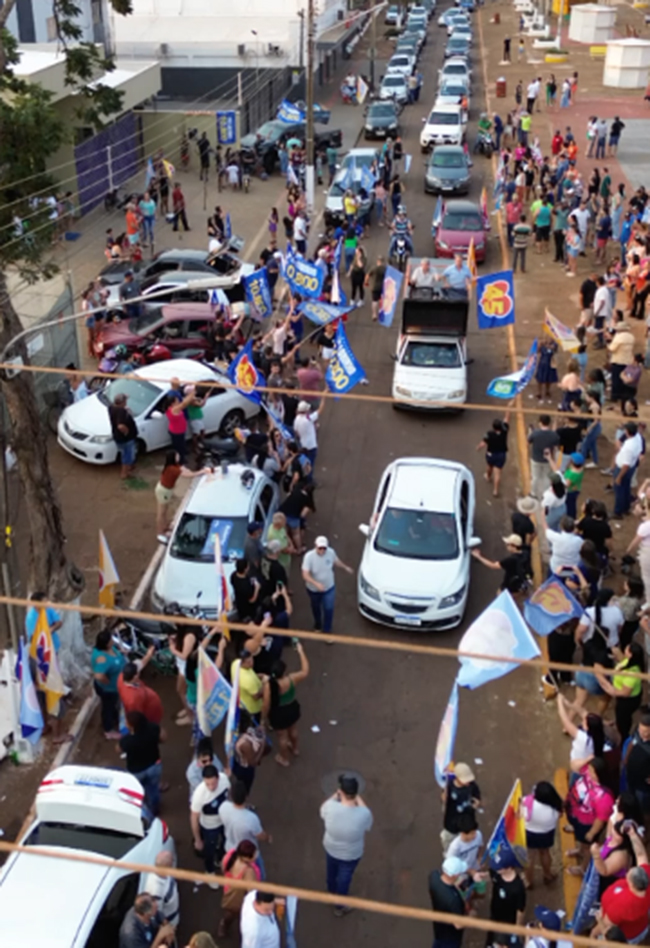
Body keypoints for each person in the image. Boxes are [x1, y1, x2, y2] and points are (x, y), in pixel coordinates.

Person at [320, 774, 373, 914]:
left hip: (331, 849)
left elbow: (322, 812)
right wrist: (358, 798)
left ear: (340, 791)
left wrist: (335, 795)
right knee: (344, 879)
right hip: (351, 854)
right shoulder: (364, 814)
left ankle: (330, 893)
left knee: (331, 873)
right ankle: (340, 906)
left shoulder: (329, 807)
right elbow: (368, 823)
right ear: (356, 793)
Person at [597, 826, 650, 943]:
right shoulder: (646, 876)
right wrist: (632, 834)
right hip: (640, 928)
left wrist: (598, 922)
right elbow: (641, 854)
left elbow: (607, 928)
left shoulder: (623, 905)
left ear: (632, 884)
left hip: (626, 937)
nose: (626, 875)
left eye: (628, 876)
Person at [262, 642, 309, 766]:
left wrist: (263, 719)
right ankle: (295, 748)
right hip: (292, 708)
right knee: (293, 729)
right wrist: (300, 651)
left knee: (282, 737)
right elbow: (305, 671)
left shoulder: (269, 686)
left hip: (278, 713)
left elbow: (266, 704)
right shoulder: (292, 679)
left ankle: (284, 758)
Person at [565, 758, 615, 872]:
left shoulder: (604, 797)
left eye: (592, 771)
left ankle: (583, 867)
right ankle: (580, 850)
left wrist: (592, 833)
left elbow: (601, 818)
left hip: (588, 824)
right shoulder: (587, 775)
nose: (588, 772)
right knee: (582, 842)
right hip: (576, 815)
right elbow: (575, 766)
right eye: (589, 769)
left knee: (588, 846)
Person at [301, 536, 354, 636]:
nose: (322, 550)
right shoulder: (309, 557)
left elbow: (336, 561)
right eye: (320, 548)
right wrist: (316, 584)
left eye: (324, 548)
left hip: (329, 587)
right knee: (316, 607)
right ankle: (318, 624)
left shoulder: (331, 552)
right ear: (315, 546)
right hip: (313, 590)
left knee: (329, 608)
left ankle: (327, 631)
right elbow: (305, 574)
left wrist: (345, 567)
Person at [595, 642, 645, 740]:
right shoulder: (629, 661)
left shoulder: (632, 673)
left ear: (630, 655)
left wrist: (610, 689)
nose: (624, 649)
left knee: (623, 719)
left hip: (627, 701)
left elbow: (625, 693)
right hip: (623, 697)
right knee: (622, 717)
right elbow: (621, 662)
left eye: (627, 649)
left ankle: (624, 737)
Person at [120, 711, 165, 816]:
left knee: (137, 791)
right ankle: (155, 809)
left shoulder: (127, 740)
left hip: (136, 771)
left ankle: (141, 811)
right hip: (154, 765)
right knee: (153, 788)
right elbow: (163, 737)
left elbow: (118, 749)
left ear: (131, 726)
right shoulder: (153, 728)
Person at [190, 763, 231, 876]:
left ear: (218, 778)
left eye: (213, 783)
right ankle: (209, 871)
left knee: (225, 841)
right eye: (207, 784)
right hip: (209, 827)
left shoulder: (224, 780)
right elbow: (194, 817)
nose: (211, 787)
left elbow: (228, 794)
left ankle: (220, 859)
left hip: (224, 821)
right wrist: (198, 839)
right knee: (209, 850)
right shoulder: (199, 794)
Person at [154, 450, 207, 536]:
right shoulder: (173, 469)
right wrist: (202, 472)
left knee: (164, 511)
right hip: (164, 491)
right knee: (162, 512)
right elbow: (187, 475)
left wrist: (195, 471)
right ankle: (160, 531)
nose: (178, 457)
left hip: (165, 490)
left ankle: (164, 527)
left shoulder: (174, 465)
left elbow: (185, 470)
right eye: (177, 456)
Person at [220, 779, 270, 862]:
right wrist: (268, 838)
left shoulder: (223, 807)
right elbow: (260, 835)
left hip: (230, 848)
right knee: (260, 873)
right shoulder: (251, 818)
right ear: (246, 797)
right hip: (248, 852)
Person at [523, 781, 562, 888]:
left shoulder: (527, 801)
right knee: (545, 853)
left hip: (529, 833)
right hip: (546, 833)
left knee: (530, 857)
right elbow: (558, 816)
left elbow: (520, 815)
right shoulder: (554, 807)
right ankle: (547, 874)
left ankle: (528, 880)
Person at [219, 840, 261, 938]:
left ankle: (223, 925)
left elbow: (223, 868)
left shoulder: (230, 855)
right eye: (254, 854)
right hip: (240, 898)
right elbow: (252, 891)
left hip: (229, 888)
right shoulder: (248, 871)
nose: (256, 855)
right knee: (238, 914)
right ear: (247, 858)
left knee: (230, 912)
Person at [90, 628, 125, 740]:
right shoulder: (102, 659)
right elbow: (99, 675)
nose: (113, 641)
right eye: (111, 640)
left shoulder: (109, 649)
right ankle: (108, 730)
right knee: (107, 708)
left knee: (112, 705)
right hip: (108, 689)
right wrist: (108, 682)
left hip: (114, 687)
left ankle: (114, 718)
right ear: (106, 644)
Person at [441, 762, 481, 855]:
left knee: (468, 843)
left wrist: (477, 804)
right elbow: (444, 799)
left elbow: (477, 796)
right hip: (452, 823)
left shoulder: (472, 786)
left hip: (467, 822)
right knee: (449, 841)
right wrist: (444, 795)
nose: (468, 782)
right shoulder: (449, 786)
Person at [486, 855, 526, 945]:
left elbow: (520, 911)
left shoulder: (518, 887)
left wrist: (518, 929)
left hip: (508, 923)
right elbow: (490, 876)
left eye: (499, 867)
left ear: (508, 868)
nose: (496, 868)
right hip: (494, 917)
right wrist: (481, 877)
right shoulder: (496, 872)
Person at [428, 855, 467, 948]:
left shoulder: (434, 877)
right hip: (451, 937)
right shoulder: (453, 900)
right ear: (454, 875)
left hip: (439, 928)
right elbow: (458, 925)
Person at [142, 851, 179, 930]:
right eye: (172, 862)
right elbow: (157, 914)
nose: (173, 864)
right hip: (170, 922)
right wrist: (168, 928)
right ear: (166, 867)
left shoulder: (163, 873)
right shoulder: (156, 891)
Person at [476, 412, 510, 497]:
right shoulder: (504, 431)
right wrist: (508, 409)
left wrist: (478, 448)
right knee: (497, 473)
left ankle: (488, 476)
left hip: (491, 454)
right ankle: (495, 490)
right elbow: (507, 418)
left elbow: (483, 443)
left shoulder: (489, 434)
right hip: (501, 455)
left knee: (489, 466)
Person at [623, 709, 650, 816]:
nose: (642, 734)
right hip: (631, 773)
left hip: (644, 784)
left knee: (642, 803)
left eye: (646, 732)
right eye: (641, 730)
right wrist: (626, 758)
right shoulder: (637, 733)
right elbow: (633, 742)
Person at [528, 415, 559, 499]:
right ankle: (544, 494)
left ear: (540, 422)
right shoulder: (554, 435)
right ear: (549, 423)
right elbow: (556, 446)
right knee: (546, 477)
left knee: (535, 477)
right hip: (547, 460)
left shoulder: (535, 433)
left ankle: (533, 493)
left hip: (536, 459)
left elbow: (529, 440)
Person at [108, 392, 138, 479]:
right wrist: (127, 431)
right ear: (122, 402)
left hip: (118, 437)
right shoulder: (121, 411)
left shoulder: (111, 408)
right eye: (125, 400)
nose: (126, 402)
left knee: (124, 453)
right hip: (126, 439)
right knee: (127, 455)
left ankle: (129, 467)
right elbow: (120, 426)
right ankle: (125, 473)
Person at [186, 736, 225, 800]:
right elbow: (201, 790)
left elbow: (221, 774)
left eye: (210, 759)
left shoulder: (215, 760)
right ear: (198, 759)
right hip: (200, 797)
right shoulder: (192, 772)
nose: (208, 763)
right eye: (204, 761)